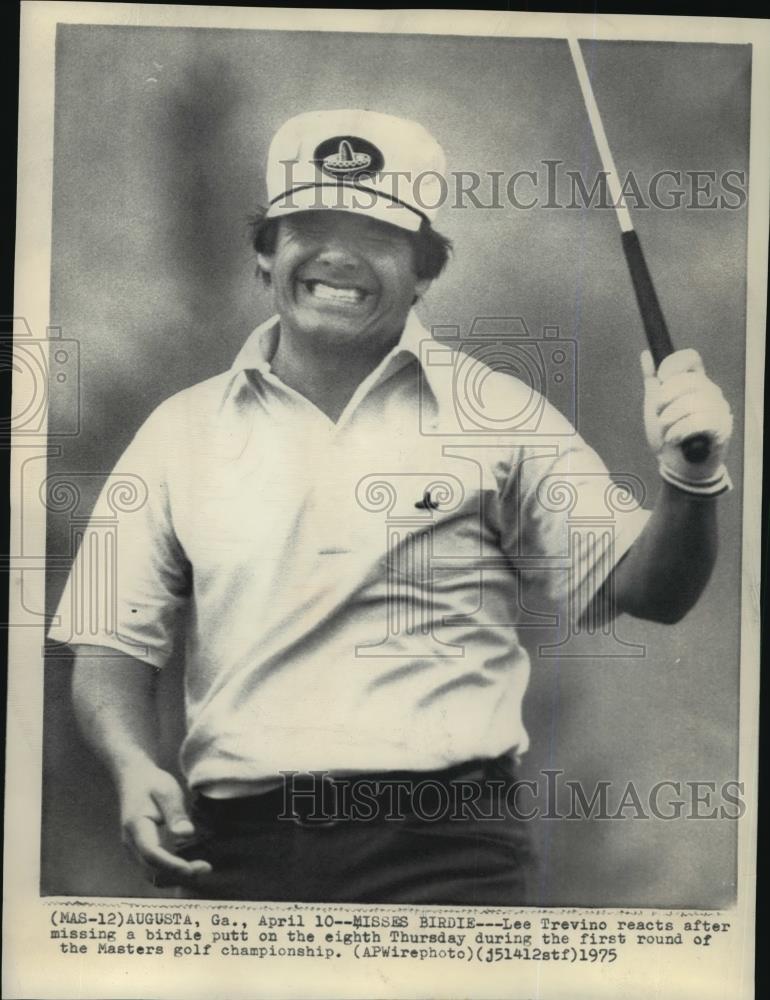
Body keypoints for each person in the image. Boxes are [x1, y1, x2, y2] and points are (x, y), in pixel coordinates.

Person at [49, 108, 734, 905]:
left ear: (425, 271)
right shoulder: (177, 431)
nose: (337, 255)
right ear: (264, 256)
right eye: (308, 225)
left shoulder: (501, 415)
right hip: (235, 852)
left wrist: (692, 479)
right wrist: (133, 766)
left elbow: (648, 591)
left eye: (375, 233)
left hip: (448, 855)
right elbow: (107, 647)